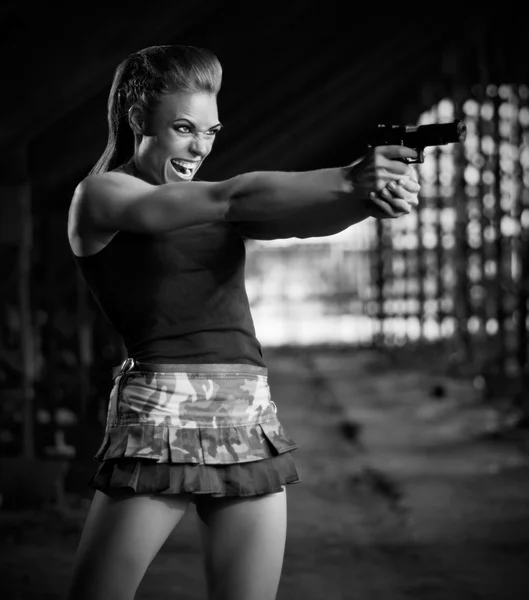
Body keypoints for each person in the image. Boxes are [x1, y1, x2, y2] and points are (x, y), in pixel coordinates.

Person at [66, 44, 420, 600]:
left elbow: (303, 225)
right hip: (161, 415)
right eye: (184, 128)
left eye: (210, 131)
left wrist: (370, 198)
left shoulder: (203, 202)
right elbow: (233, 198)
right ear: (138, 119)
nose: (200, 147)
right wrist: (350, 177)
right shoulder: (103, 194)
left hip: (247, 415)